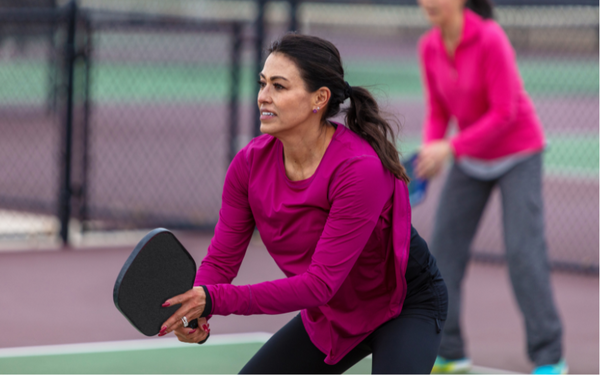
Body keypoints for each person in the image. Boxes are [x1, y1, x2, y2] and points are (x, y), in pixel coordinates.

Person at [156, 33, 448, 374]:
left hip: (405, 303)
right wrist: (199, 306)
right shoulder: (248, 166)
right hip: (333, 310)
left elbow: (319, 285)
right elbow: (222, 259)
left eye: (279, 87)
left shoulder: (359, 170)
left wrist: (216, 299)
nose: (263, 97)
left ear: (319, 99)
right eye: (262, 83)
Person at [415, 0, 566, 374]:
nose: (429, 2)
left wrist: (449, 148)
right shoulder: (429, 46)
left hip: (519, 152)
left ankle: (550, 357)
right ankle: (449, 350)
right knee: (442, 253)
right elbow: (438, 110)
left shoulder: (490, 38)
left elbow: (505, 112)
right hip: (470, 156)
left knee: (522, 253)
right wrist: (431, 151)